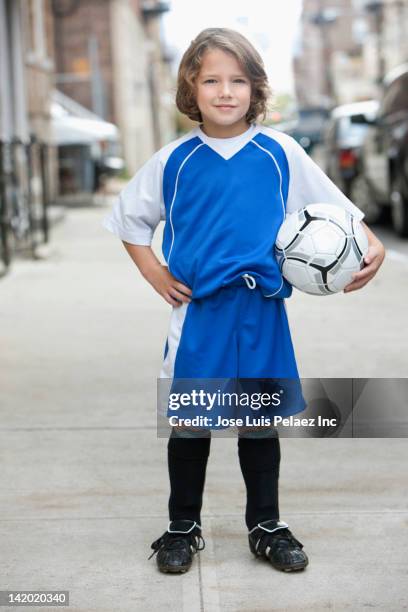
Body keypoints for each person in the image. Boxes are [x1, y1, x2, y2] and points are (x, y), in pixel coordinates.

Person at [102, 28, 385, 574]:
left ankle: (266, 526)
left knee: (260, 422)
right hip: (201, 313)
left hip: (262, 312)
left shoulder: (280, 150)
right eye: (211, 80)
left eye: (238, 81)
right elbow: (129, 221)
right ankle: (182, 525)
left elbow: (340, 209)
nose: (225, 92)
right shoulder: (174, 161)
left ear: (256, 89)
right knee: (191, 423)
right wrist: (155, 273)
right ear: (191, 86)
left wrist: (372, 247)